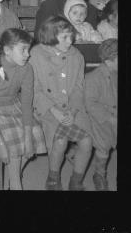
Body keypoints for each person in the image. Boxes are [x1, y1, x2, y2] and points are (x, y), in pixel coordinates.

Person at [30, 16, 93, 190]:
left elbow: (79, 88)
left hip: (73, 107)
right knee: (59, 142)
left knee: (87, 141)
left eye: (71, 35)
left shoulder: (76, 56)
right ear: (50, 36)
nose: (70, 40)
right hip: (47, 108)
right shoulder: (35, 54)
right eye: (64, 37)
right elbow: (33, 89)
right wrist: (54, 111)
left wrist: (73, 111)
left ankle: (76, 180)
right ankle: (53, 177)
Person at [0, 28, 47, 190]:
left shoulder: (26, 68)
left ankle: (13, 175)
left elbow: (26, 102)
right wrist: (0, 144)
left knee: (35, 132)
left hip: (13, 104)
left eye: (28, 49)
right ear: (7, 51)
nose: (28, 54)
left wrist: (28, 138)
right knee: (12, 141)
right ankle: (16, 183)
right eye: (23, 50)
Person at [84, 39, 118, 190]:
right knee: (103, 146)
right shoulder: (93, 78)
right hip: (100, 117)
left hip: (115, 113)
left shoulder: (116, 72)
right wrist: (109, 117)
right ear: (110, 60)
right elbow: (90, 104)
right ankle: (99, 174)